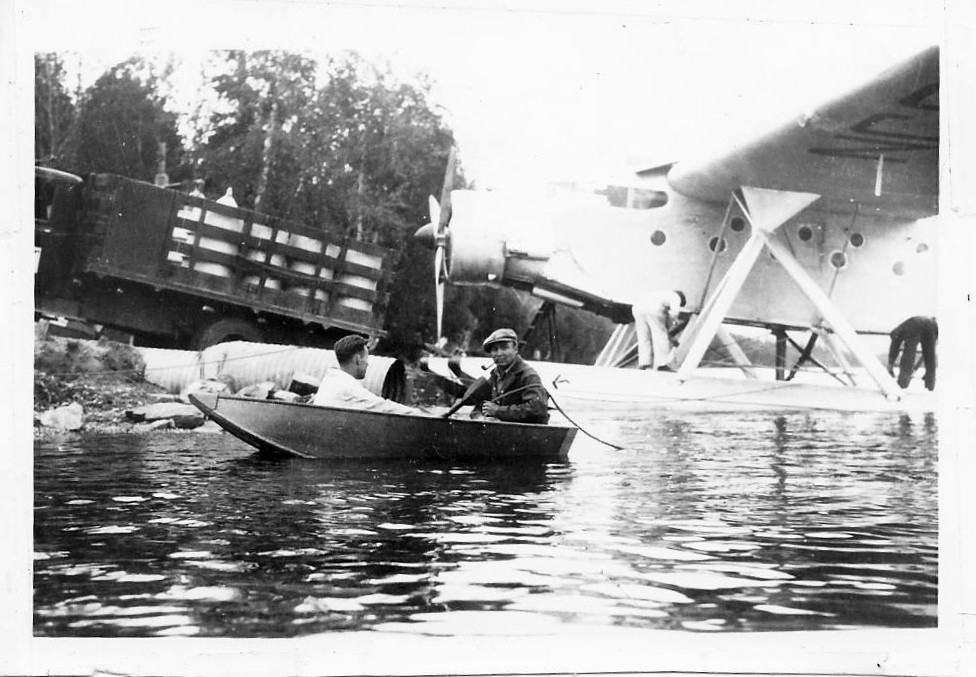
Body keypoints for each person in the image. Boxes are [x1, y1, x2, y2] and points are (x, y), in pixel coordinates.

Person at [312, 335, 426, 414]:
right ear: (357, 359)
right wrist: (418, 413)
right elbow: (383, 406)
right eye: (366, 360)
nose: (367, 364)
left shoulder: (331, 380)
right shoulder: (348, 387)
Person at [470, 328, 550, 424]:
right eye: (495, 349)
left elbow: (537, 410)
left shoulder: (528, 375)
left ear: (515, 349)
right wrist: (480, 418)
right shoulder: (495, 375)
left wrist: (498, 411)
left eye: (504, 348)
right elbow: (480, 404)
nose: (499, 353)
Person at [631, 289, 686, 371]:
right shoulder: (676, 297)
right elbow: (674, 313)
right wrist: (673, 323)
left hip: (637, 308)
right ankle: (662, 364)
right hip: (653, 309)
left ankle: (643, 363)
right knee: (660, 336)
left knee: (643, 336)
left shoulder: (661, 294)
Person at [887, 316, 938, 391]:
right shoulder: (902, 328)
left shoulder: (896, 334)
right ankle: (930, 385)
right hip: (930, 325)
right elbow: (929, 352)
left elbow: (894, 350)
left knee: (908, 354)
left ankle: (902, 384)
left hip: (916, 325)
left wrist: (890, 364)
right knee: (930, 356)